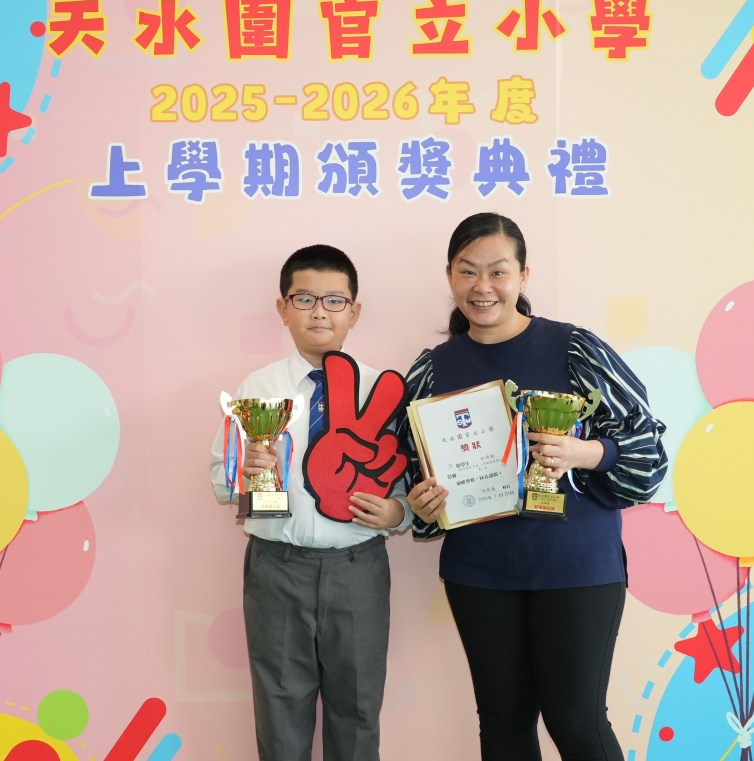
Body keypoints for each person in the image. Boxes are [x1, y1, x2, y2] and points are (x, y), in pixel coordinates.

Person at [395, 213, 667, 761]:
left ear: (523, 275)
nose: (483, 286)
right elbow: (412, 474)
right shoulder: (430, 372)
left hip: (576, 568)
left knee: (577, 723)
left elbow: (647, 448)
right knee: (503, 726)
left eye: (498, 271)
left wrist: (583, 452)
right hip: (480, 573)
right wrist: (421, 503)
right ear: (449, 276)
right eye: (468, 271)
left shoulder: (574, 349)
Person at [209, 244, 412, 761]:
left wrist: (398, 514)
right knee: (279, 714)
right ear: (283, 308)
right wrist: (242, 473)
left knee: (359, 713)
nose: (319, 312)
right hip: (277, 569)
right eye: (304, 299)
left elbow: (409, 480)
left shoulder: (385, 390)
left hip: (359, 569)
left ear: (354, 311)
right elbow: (222, 481)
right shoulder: (258, 388)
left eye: (334, 300)